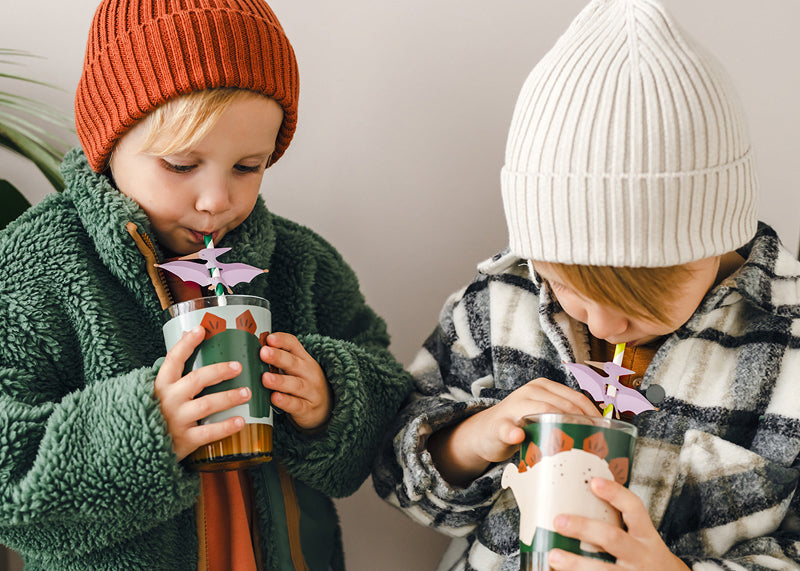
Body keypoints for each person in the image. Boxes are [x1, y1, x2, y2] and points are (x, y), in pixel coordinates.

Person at [372, 0, 800, 569]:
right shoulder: (498, 307)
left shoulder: (787, 347)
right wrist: (471, 441)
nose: (600, 324)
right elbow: (397, 478)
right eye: (566, 284)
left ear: (714, 238)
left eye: (637, 300)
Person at [0, 0, 412, 569]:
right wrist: (142, 431)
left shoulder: (299, 263)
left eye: (248, 166)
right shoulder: (37, 270)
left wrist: (332, 398)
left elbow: (392, 399)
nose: (218, 200)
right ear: (109, 143)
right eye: (179, 164)